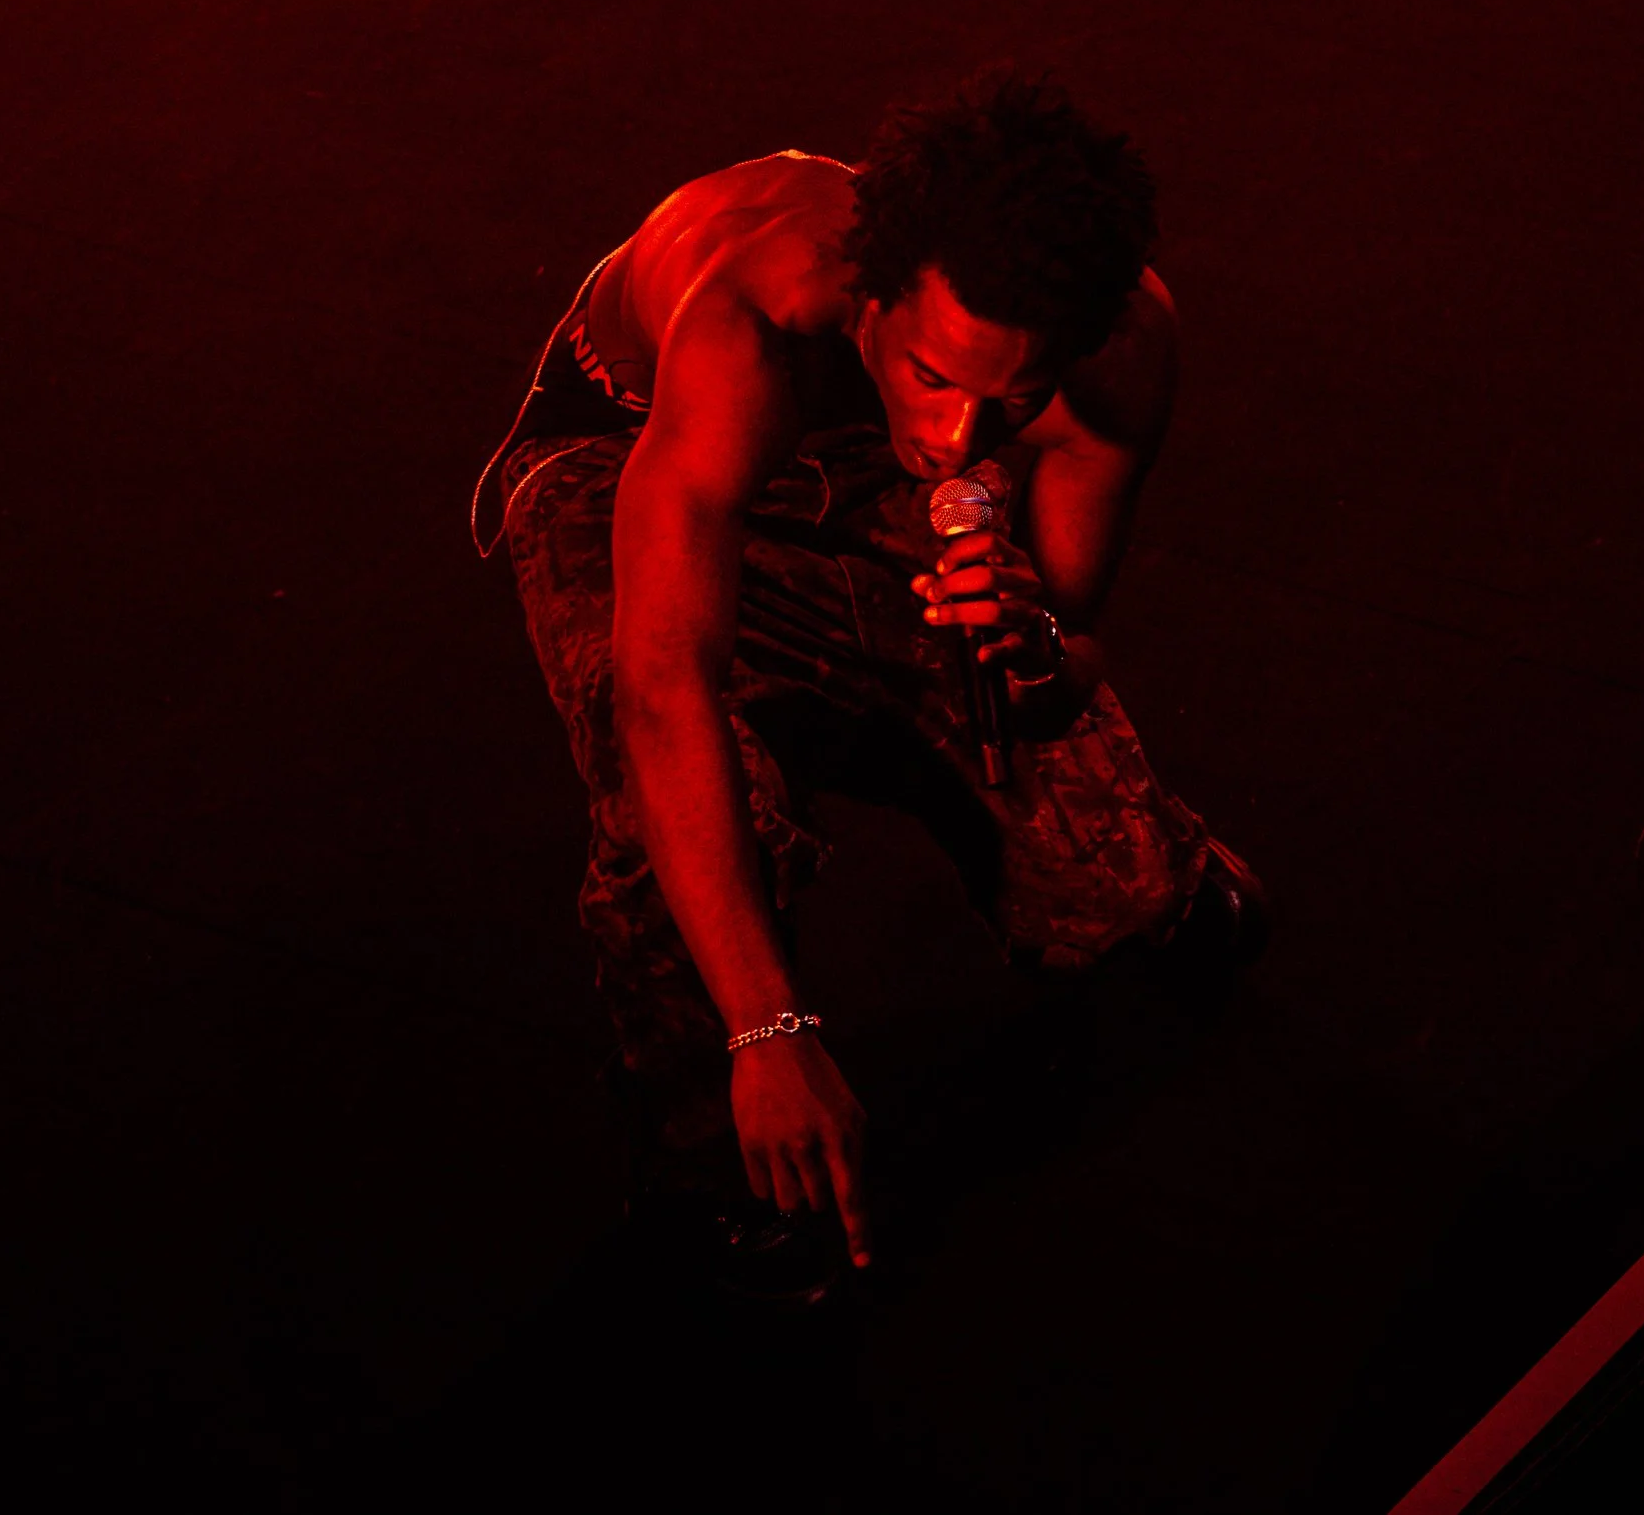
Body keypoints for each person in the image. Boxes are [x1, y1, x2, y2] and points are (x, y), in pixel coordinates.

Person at [474, 68, 1263, 1290]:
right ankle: (709, 1154)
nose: (956, 439)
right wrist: (768, 1030)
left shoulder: (1120, 350)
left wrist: (1029, 647)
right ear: (875, 296)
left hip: (845, 449)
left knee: (1129, 899)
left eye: (1011, 402)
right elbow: (663, 689)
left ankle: (1117, 845)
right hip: (633, 447)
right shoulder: (757, 307)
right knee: (674, 808)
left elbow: (1069, 646)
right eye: (936, 377)